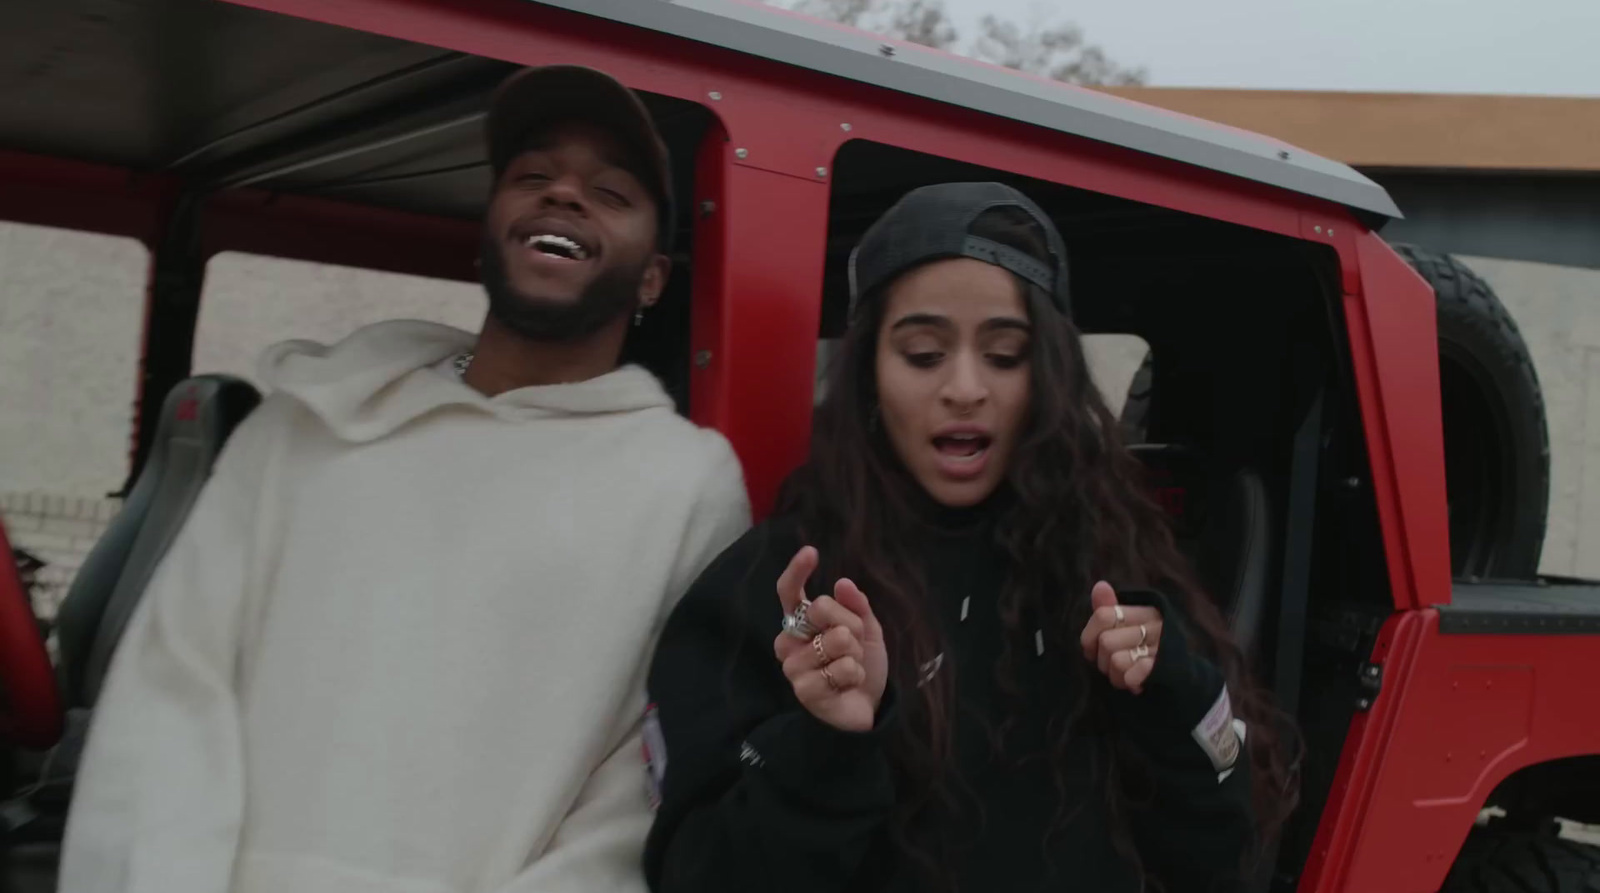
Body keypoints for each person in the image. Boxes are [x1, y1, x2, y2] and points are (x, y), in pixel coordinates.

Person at [59, 65, 750, 893]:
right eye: (531, 176)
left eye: (610, 192)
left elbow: (636, 795)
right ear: (488, 227)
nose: (562, 195)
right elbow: (169, 695)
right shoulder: (302, 425)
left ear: (653, 278)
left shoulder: (686, 485)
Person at [641, 183, 1294, 893]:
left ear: (1046, 377)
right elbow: (696, 872)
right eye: (923, 353)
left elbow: (1229, 860)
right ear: (869, 376)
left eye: (1006, 355)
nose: (964, 386)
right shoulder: (781, 588)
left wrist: (1181, 693)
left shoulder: (1113, 560)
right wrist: (823, 742)